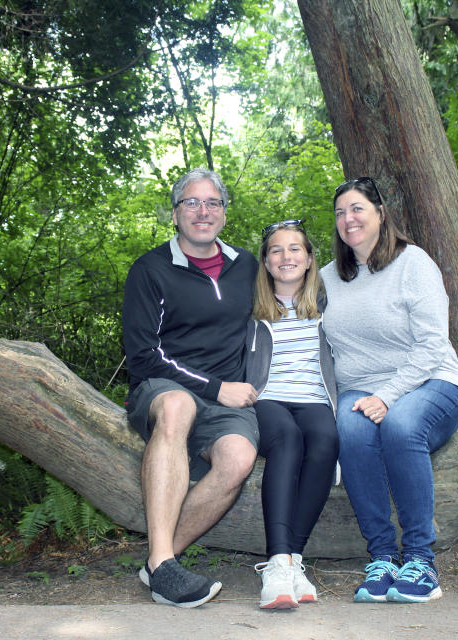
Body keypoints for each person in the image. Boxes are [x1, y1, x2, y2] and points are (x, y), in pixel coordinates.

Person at [321, 176, 458, 604]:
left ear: (380, 213)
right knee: (348, 431)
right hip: (358, 388)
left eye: (357, 209)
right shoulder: (330, 278)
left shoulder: (413, 263)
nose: (348, 219)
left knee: (401, 427)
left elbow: (432, 344)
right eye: (340, 212)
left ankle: (422, 560)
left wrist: (387, 396)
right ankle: (384, 558)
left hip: (432, 381)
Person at [121, 168, 260, 608]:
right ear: (176, 213)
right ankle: (164, 563)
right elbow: (143, 354)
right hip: (164, 387)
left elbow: (285, 310)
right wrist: (216, 388)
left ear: (224, 212)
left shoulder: (247, 267)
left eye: (213, 202)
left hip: (227, 398)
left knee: (238, 458)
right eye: (192, 203)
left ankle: (160, 565)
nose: (203, 211)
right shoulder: (150, 269)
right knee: (180, 406)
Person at [245, 220, 338, 609]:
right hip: (268, 398)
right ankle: (277, 561)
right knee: (288, 439)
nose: (286, 257)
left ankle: (292, 561)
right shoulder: (249, 307)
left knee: (326, 439)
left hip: (316, 398)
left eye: (295, 248)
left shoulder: (330, 303)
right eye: (277, 250)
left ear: (310, 258)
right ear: (266, 262)